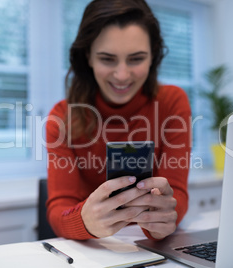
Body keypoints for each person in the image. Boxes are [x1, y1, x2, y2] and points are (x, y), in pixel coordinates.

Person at [46, 0, 192, 240]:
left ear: (153, 55)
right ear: (88, 57)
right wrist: (83, 221)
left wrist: (166, 216)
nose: (122, 75)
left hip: (150, 248)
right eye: (107, 59)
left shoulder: (172, 102)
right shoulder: (62, 117)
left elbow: (176, 192)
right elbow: (59, 209)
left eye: (136, 59)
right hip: (94, 249)